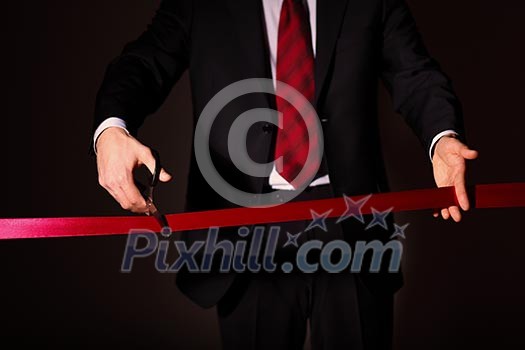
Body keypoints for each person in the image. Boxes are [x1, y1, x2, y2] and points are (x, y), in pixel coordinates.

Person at [92, 0, 478, 349]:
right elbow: (143, 63)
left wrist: (442, 138)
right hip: (244, 233)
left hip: (352, 222)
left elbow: (414, 72)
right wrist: (111, 130)